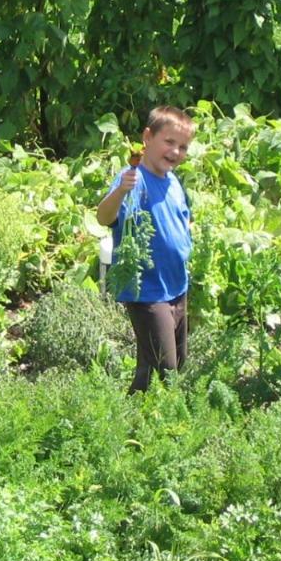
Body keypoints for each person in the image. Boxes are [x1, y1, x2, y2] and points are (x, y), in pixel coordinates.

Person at [97, 106, 195, 394]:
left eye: (183, 147)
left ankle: (133, 417)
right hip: (147, 289)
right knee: (166, 370)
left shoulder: (173, 181)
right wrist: (121, 191)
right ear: (148, 137)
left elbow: (182, 216)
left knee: (170, 363)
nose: (176, 152)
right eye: (169, 142)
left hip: (176, 285)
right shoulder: (133, 179)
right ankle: (158, 425)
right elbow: (104, 218)